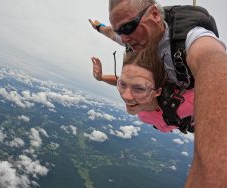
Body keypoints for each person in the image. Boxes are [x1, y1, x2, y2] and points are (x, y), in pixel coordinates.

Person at [90, 0, 227, 186]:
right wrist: (99, 27)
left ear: (154, 14)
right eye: (120, 31)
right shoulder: (134, 40)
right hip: (164, 104)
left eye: (128, 27)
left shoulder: (191, 37)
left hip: (180, 101)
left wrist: (212, 171)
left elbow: (213, 62)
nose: (125, 38)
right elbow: (112, 35)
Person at [92, 45, 194, 133]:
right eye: (122, 84)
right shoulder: (141, 110)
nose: (125, 96)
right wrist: (101, 78)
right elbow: (120, 81)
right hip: (171, 121)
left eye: (139, 89)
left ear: (157, 92)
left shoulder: (186, 102)